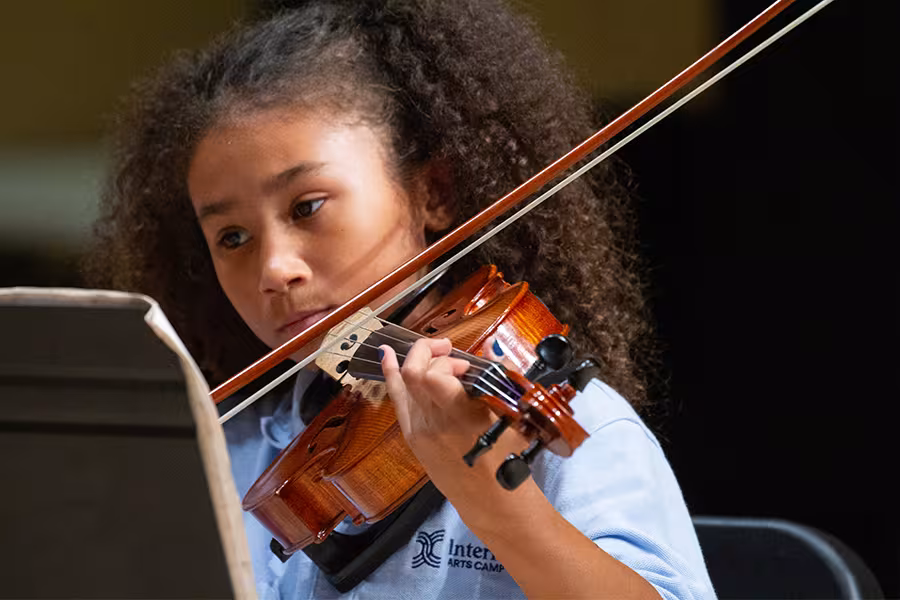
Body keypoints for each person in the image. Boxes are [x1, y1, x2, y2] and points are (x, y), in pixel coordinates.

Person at [86, 1, 715, 598]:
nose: (274, 269)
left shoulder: (562, 425)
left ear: (432, 192)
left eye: (307, 207)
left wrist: (496, 500)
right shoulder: (232, 451)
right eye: (232, 237)